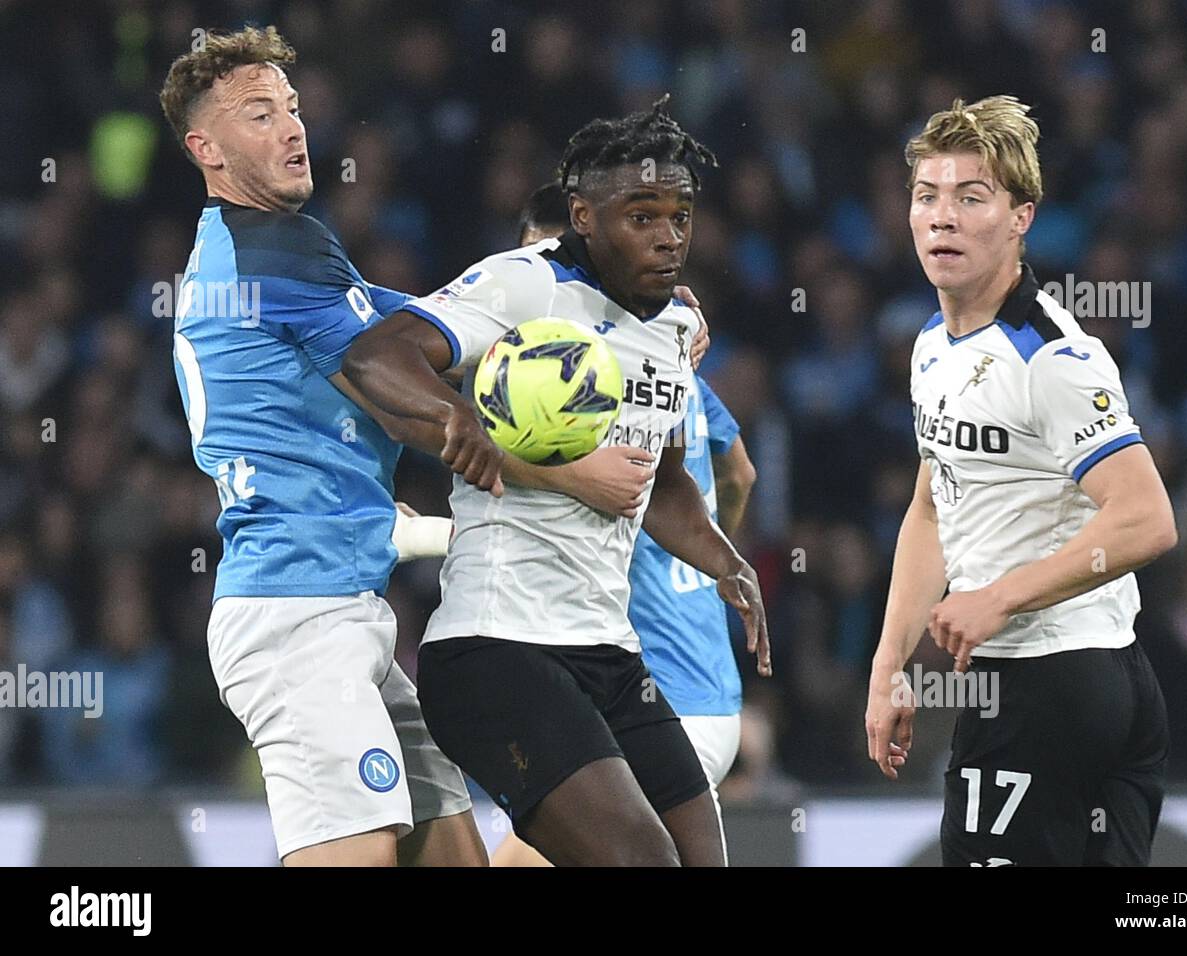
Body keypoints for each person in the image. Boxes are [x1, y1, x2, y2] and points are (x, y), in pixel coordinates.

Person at [158, 26, 655, 866]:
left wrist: (595, 290)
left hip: (344, 611)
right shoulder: (269, 250)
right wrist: (570, 471)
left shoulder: (289, 257)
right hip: (294, 620)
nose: (290, 128)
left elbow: (436, 323)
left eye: (292, 107)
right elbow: (411, 402)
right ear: (205, 148)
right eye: (258, 115)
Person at [342, 98, 772, 866]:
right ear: (582, 215)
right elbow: (377, 357)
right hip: (497, 650)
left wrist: (724, 560)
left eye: (681, 215)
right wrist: (462, 424)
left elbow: (663, 482)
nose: (669, 236)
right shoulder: (523, 287)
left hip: (609, 654)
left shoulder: (673, 325)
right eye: (642, 216)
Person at [864, 96, 1177, 866]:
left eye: (971, 198)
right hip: (1072, 683)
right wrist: (888, 664)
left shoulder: (1050, 357)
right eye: (927, 196)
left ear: (1020, 217)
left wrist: (998, 596)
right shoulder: (932, 344)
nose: (943, 218)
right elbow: (933, 510)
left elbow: (1146, 519)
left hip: (1051, 685)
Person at [492, 183, 758, 867]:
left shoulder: (568, 383)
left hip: (654, 697)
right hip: (697, 688)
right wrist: (709, 562)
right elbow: (739, 474)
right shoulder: (671, 368)